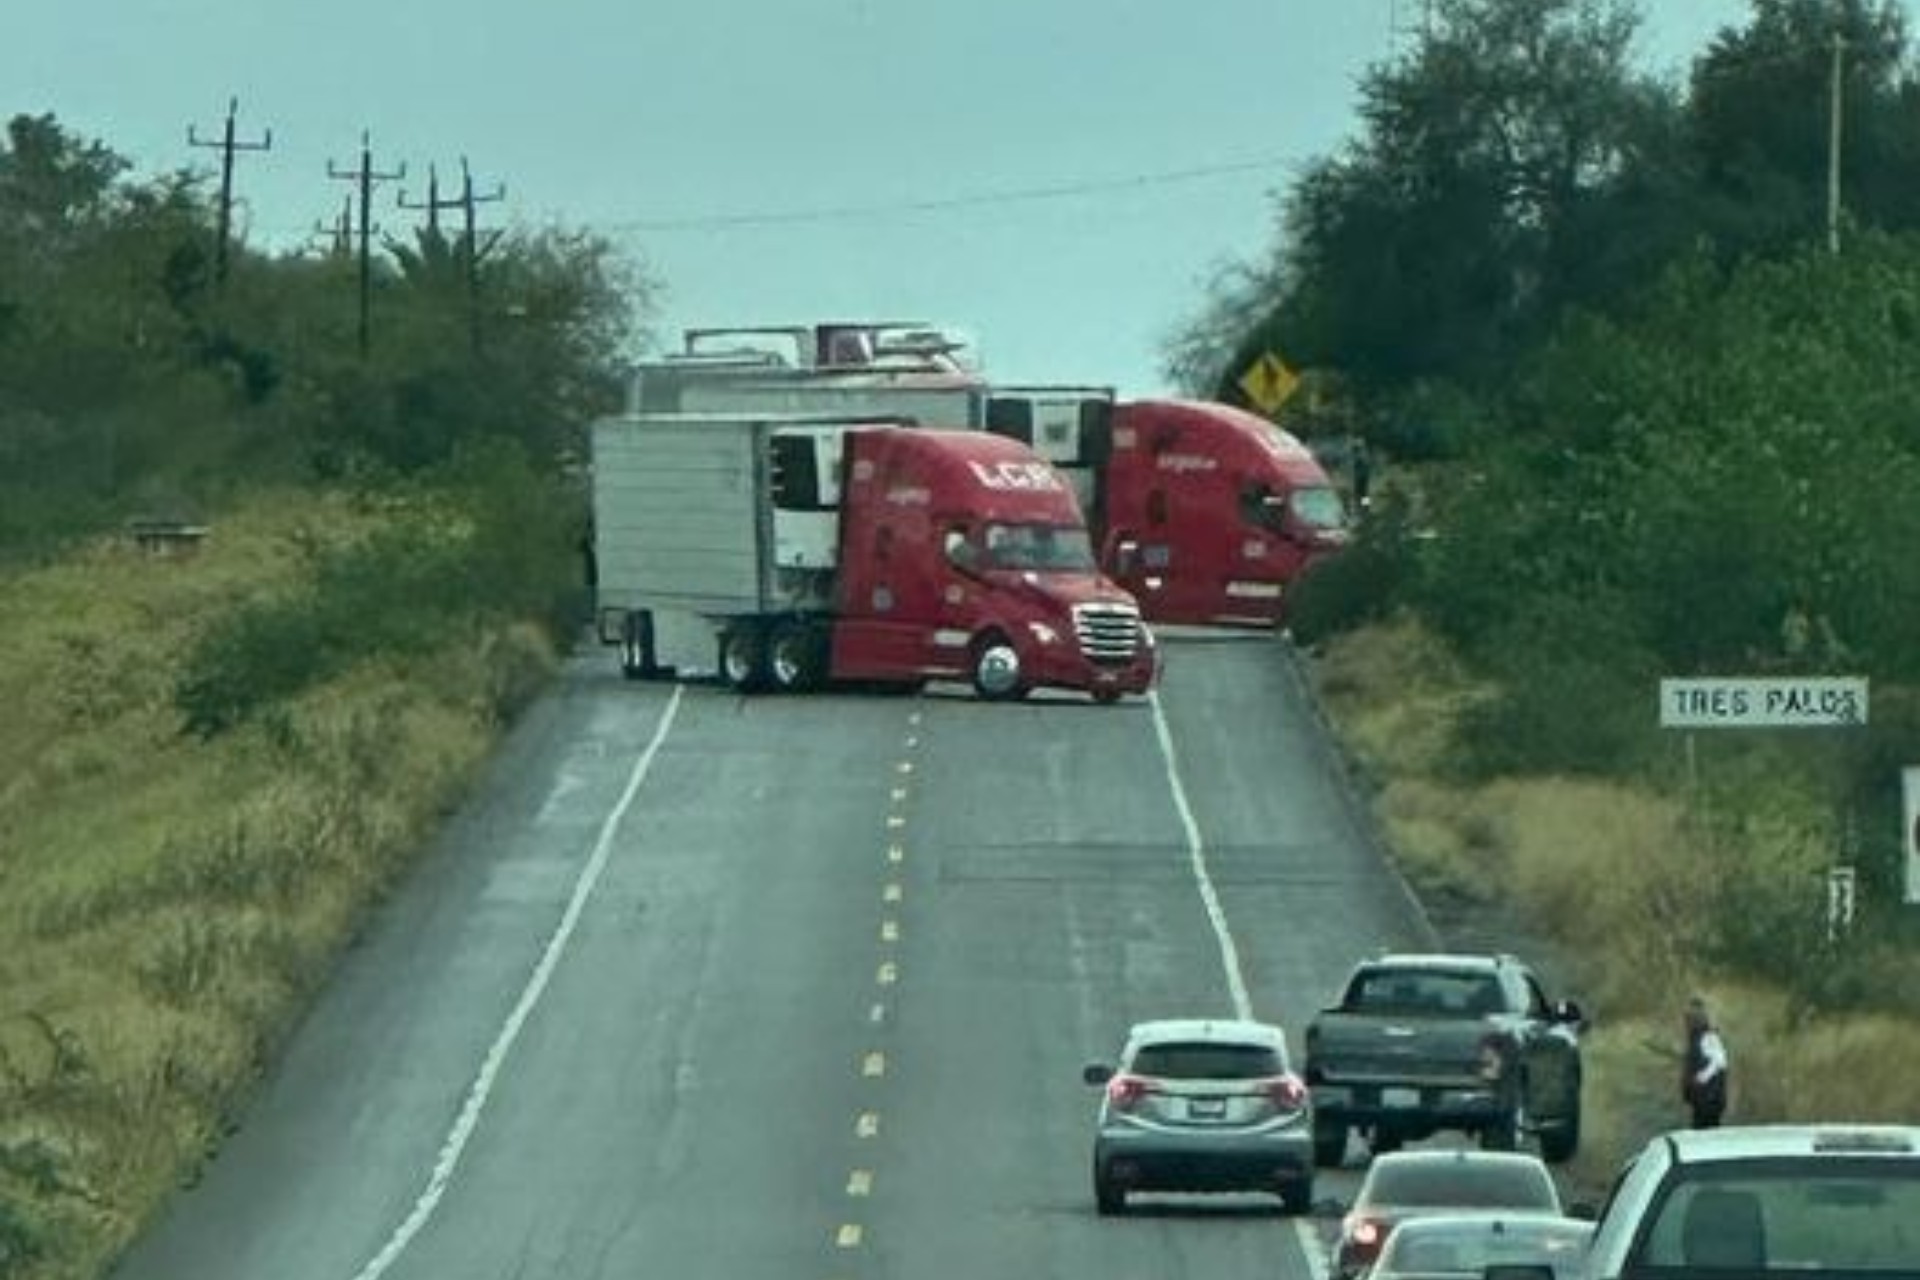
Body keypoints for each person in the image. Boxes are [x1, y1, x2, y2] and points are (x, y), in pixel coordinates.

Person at [1681, 996, 1730, 1129]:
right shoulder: (1696, 1038)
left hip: (1709, 1099)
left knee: (1706, 1132)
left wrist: (1701, 1078)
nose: (1687, 1023)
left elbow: (1720, 1061)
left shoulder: (1709, 1037)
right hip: (1702, 1099)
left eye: (1689, 1019)